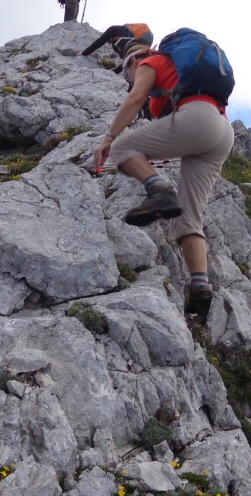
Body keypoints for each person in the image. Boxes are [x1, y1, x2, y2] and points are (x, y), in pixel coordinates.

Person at [93, 41, 235, 319]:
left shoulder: (150, 62)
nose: (128, 78)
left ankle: (159, 190)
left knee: (122, 148)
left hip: (198, 119)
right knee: (189, 218)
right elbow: (168, 124)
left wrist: (109, 138)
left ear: (134, 61)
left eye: (126, 72)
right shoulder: (179, 74)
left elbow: (135, 99)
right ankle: (200, 288)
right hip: (222, 132)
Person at [80, 23, 153, 57]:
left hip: (138, 41)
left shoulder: (114, 29)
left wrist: (84, 53)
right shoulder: (126, 34)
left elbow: (101, 41)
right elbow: (125, 60)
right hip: (146, 44)